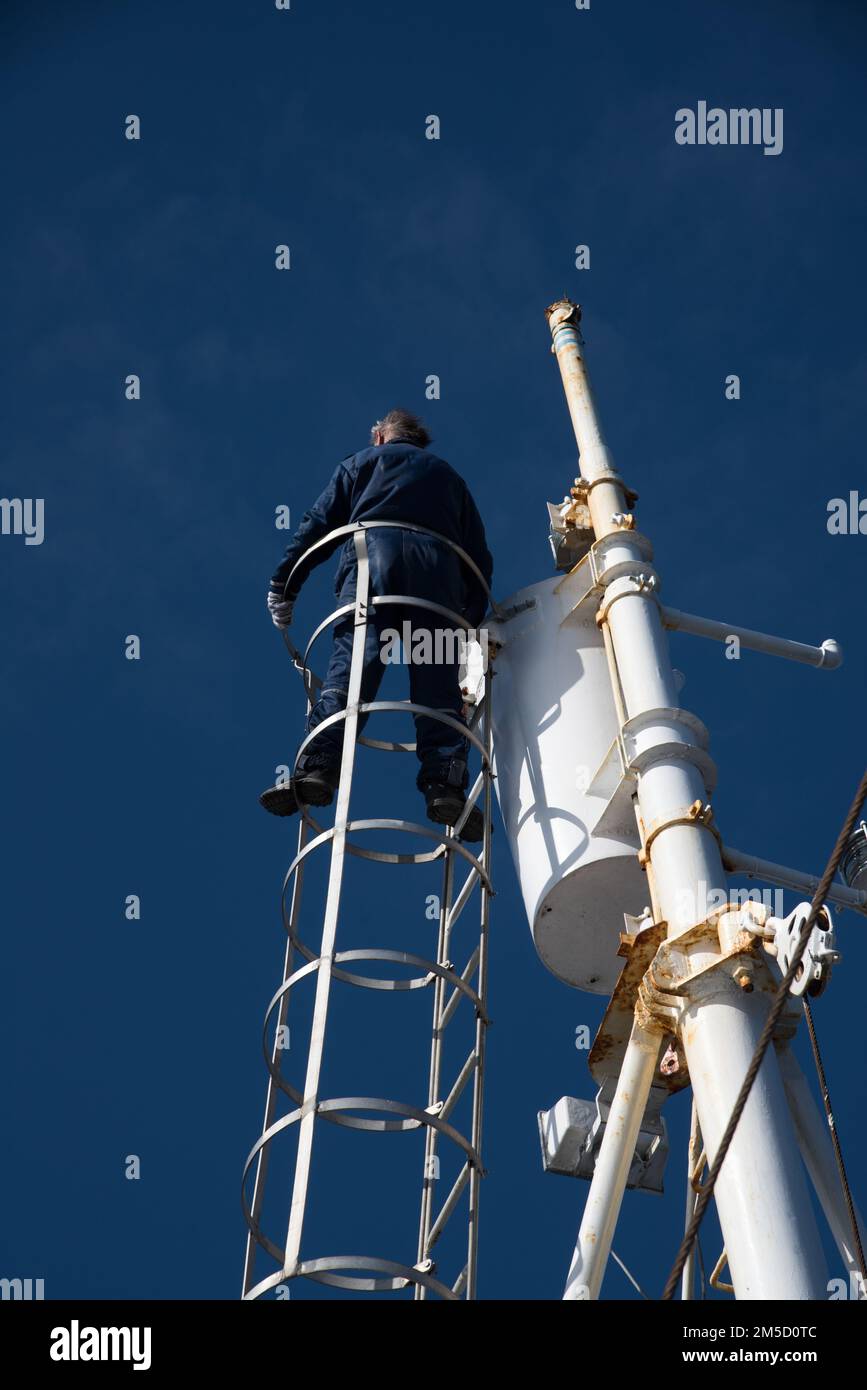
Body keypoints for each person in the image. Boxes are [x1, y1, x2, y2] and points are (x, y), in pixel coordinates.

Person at [260, 409, 494, 841]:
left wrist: (284, 582)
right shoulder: (450, 479)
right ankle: (446, 785)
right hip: (436, 583)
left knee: (351, 671)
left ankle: (318, 768)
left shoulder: (363, 462)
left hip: (374, 569)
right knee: (436, 685)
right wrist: (468, 625)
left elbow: (317, 525)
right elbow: (479, 560)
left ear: (381, 436)